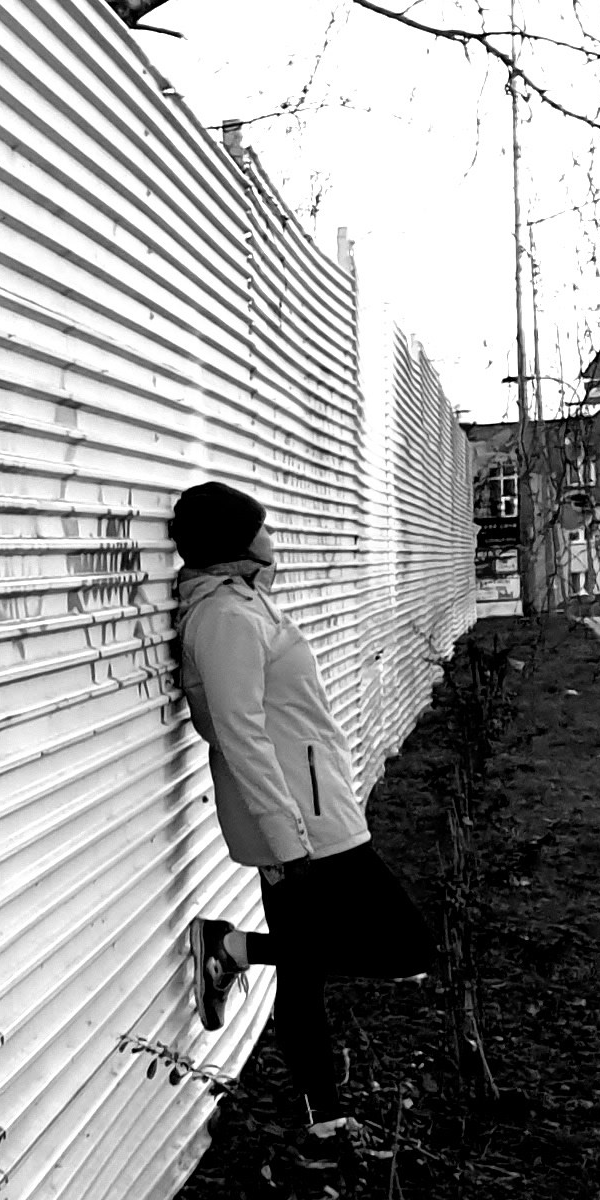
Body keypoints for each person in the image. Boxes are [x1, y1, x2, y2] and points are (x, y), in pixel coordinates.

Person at [172, 480, 439, 1158]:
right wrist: (284, 834)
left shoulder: (242, 604)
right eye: (262, 528)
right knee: (407, 947)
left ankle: (325, 1125)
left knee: (304, 976)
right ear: (236, 543)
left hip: (309, 808)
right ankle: (232, 950)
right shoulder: (225, 618)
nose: (273, 538)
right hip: (304, 823)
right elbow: (237, 731)